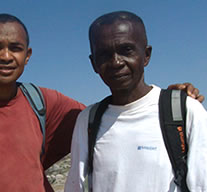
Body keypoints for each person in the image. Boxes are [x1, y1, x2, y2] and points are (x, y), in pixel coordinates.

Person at [0, 13, 203, 192]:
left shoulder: (46, 103)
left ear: (27, 56)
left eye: (15, 48)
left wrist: (176, 101)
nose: (5, 56)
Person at [65, 11, 207, 192]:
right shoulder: (88, 120)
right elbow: (74, 186)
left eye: (126, 50)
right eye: (105, 54)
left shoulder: (185, 111)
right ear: (94, 63)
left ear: (146, 55)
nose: (116, 62)